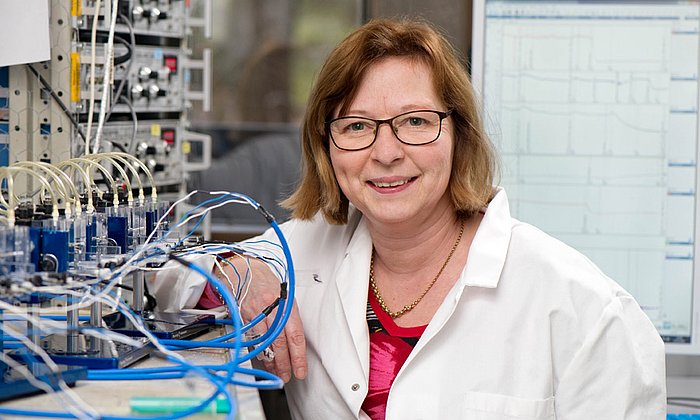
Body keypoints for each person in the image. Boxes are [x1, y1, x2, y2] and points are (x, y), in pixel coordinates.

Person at [154, 17, 666, 420]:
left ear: (459, 136)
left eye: (415, 122)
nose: (386, 152)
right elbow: (163, 275)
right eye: (356, 126)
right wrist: (237, 275)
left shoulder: (585, 311)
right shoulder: (306, 251)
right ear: (326, 148)